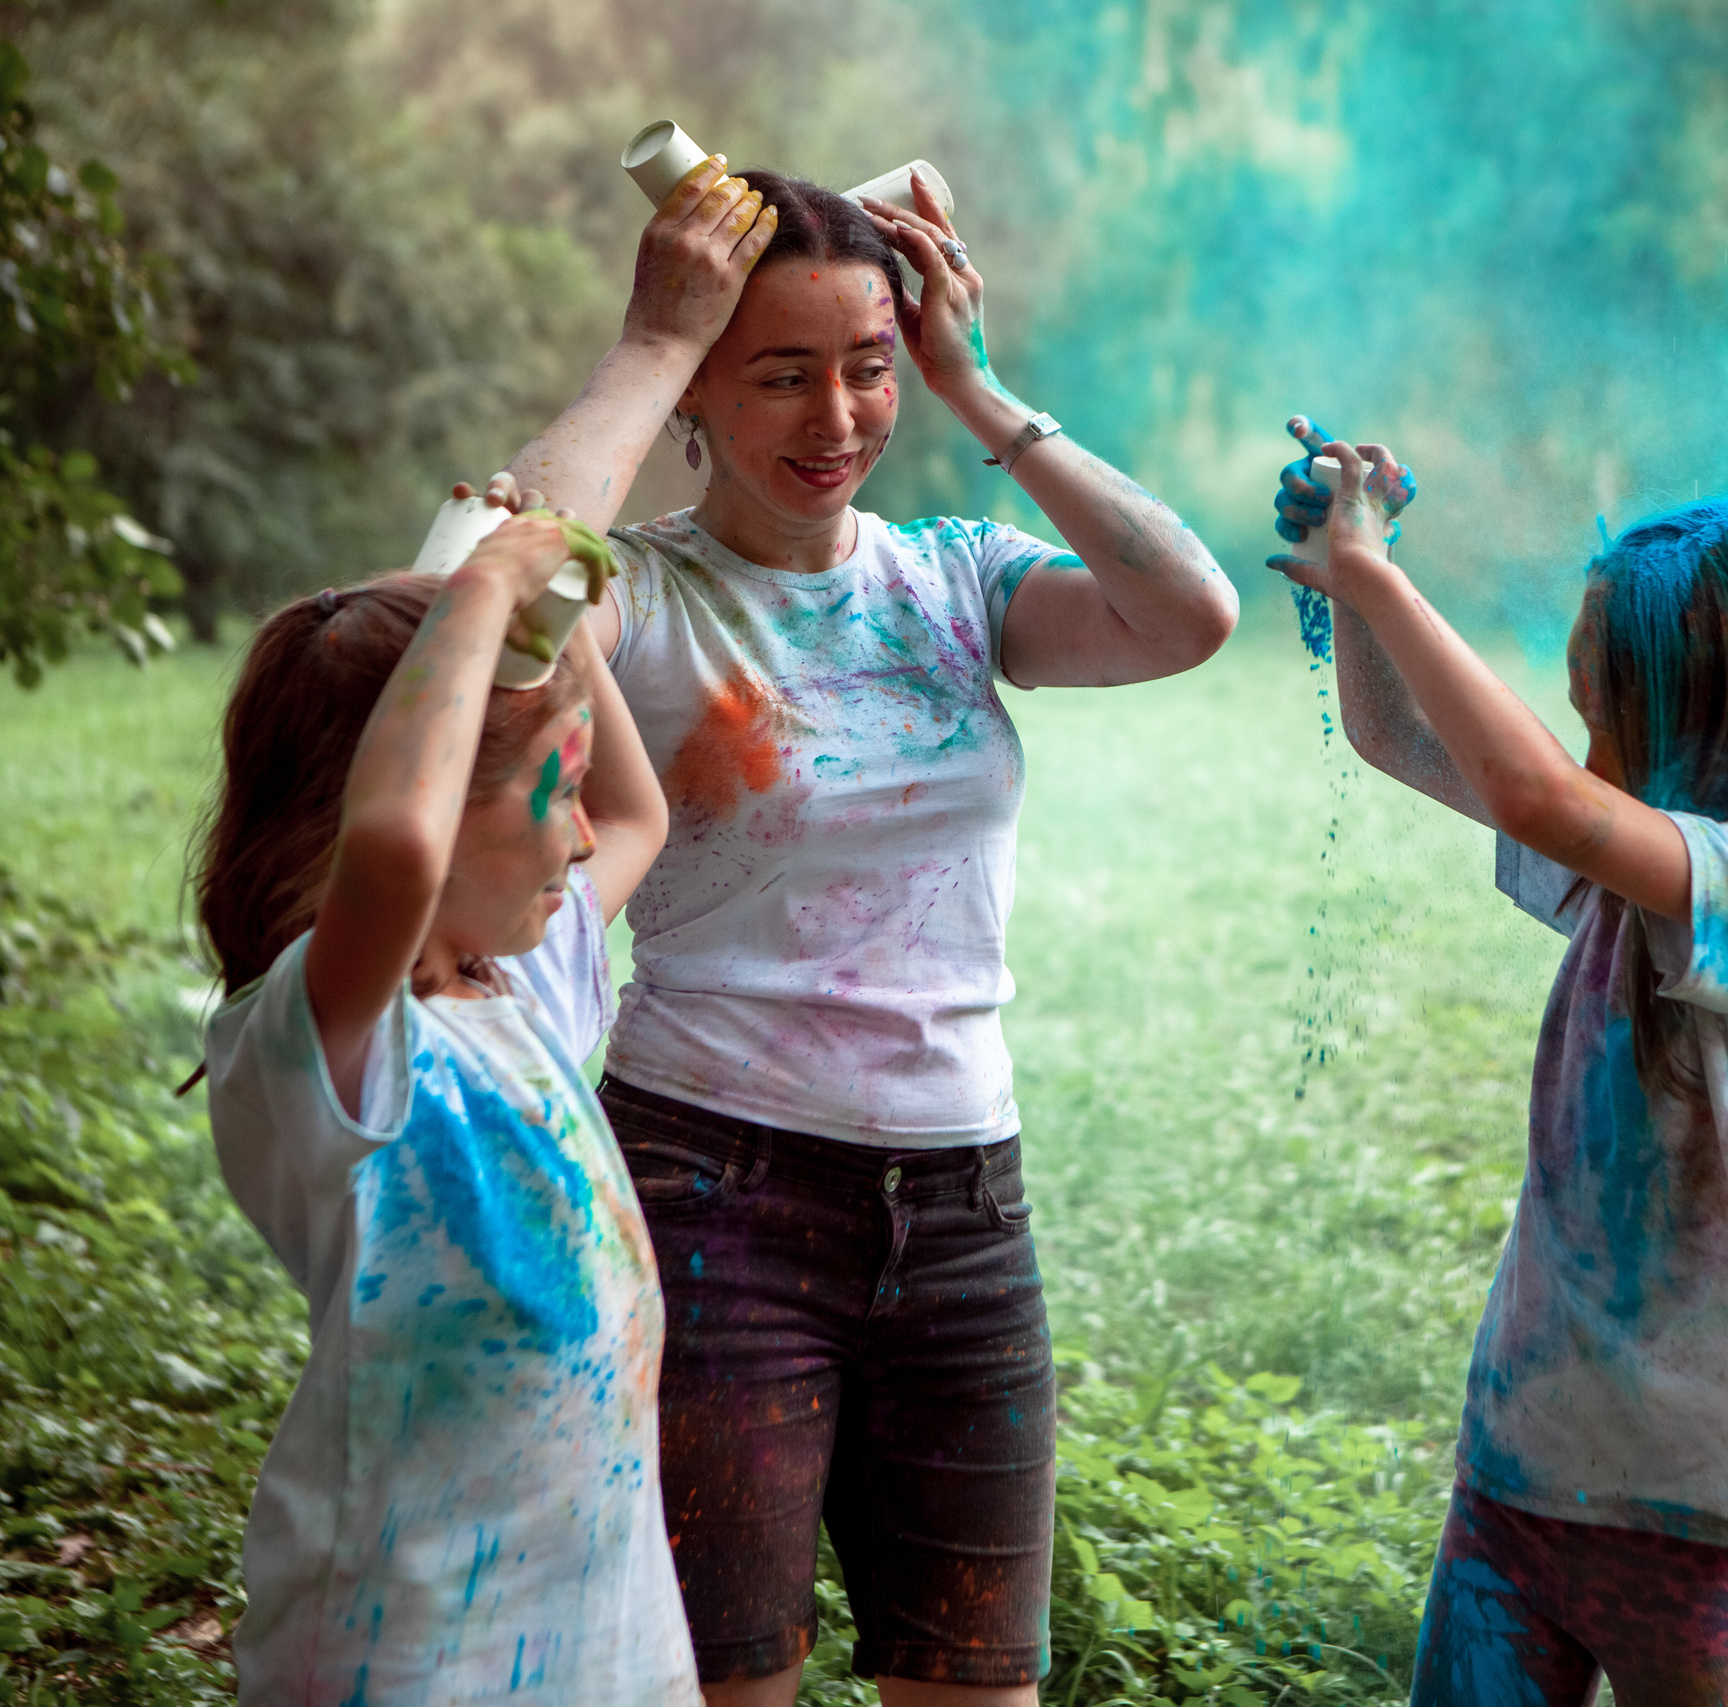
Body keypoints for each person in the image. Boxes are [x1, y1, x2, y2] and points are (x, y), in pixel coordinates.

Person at [483, 154, 1238, 1703]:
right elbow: (488, 608)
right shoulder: (644, 598)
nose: (837, 421)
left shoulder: (956, 582)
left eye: (868, 369)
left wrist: (974, 382)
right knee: (720, 1678)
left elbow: (1190, 612)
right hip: (712, 1187)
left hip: (967, 1210)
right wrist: (642, 345)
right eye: (781, 375)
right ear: (700, 386)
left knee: (976, 1681)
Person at [1268, 431, 1728, 1705]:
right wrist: (1345, 579)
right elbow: (1398, 739)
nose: (1581, 725)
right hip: (1516, 1472)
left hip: (1695, 1513)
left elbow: (1541, 798)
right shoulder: (1625, 848)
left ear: (1711, 706)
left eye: (1604, 703)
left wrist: (1381, 581)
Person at [197, 513, 680, 1703]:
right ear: (427, 799)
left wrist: (550, 644)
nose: (578, 834)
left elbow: (636, 816)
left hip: (596, 1645)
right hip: (405, 1654)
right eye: (546, 792)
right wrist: (480, 597)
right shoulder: (323, 1041)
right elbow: (395, 856)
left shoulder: (523, 986)